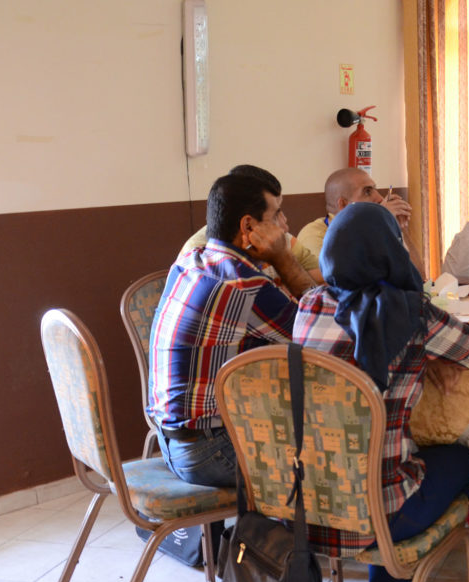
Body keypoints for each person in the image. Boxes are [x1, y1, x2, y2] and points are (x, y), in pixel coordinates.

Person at [293, 202, 469, 582]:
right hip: (380, 519)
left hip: (308, 507)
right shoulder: (412, 314)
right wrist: (437, 353)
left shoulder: (310, 304)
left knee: (378, 468)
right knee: (461, 461)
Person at [148, 173, 316, 487]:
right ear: (248, 227)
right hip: (210, 450)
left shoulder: (190, 260)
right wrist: (281, 257)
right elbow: (318, 336)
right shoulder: (244, 284)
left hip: (172, 440)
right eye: (277, 214)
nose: (285, 223)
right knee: (333, 463)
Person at [177, 164, 323, 284]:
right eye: (275, 214)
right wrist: (283, 260)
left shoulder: (281, 239)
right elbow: (312, 313)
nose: (284, 226)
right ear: (248, 225)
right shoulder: (206, 256)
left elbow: (323, 279)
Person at [295, 167, 412, 260]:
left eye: (375, 190)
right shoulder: (314, 234)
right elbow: (336, 280)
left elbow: (414, 276)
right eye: (367, 192)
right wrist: (377, 224)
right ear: (344, 205)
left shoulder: (379, 226)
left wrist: (396, 229)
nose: (380, 198)